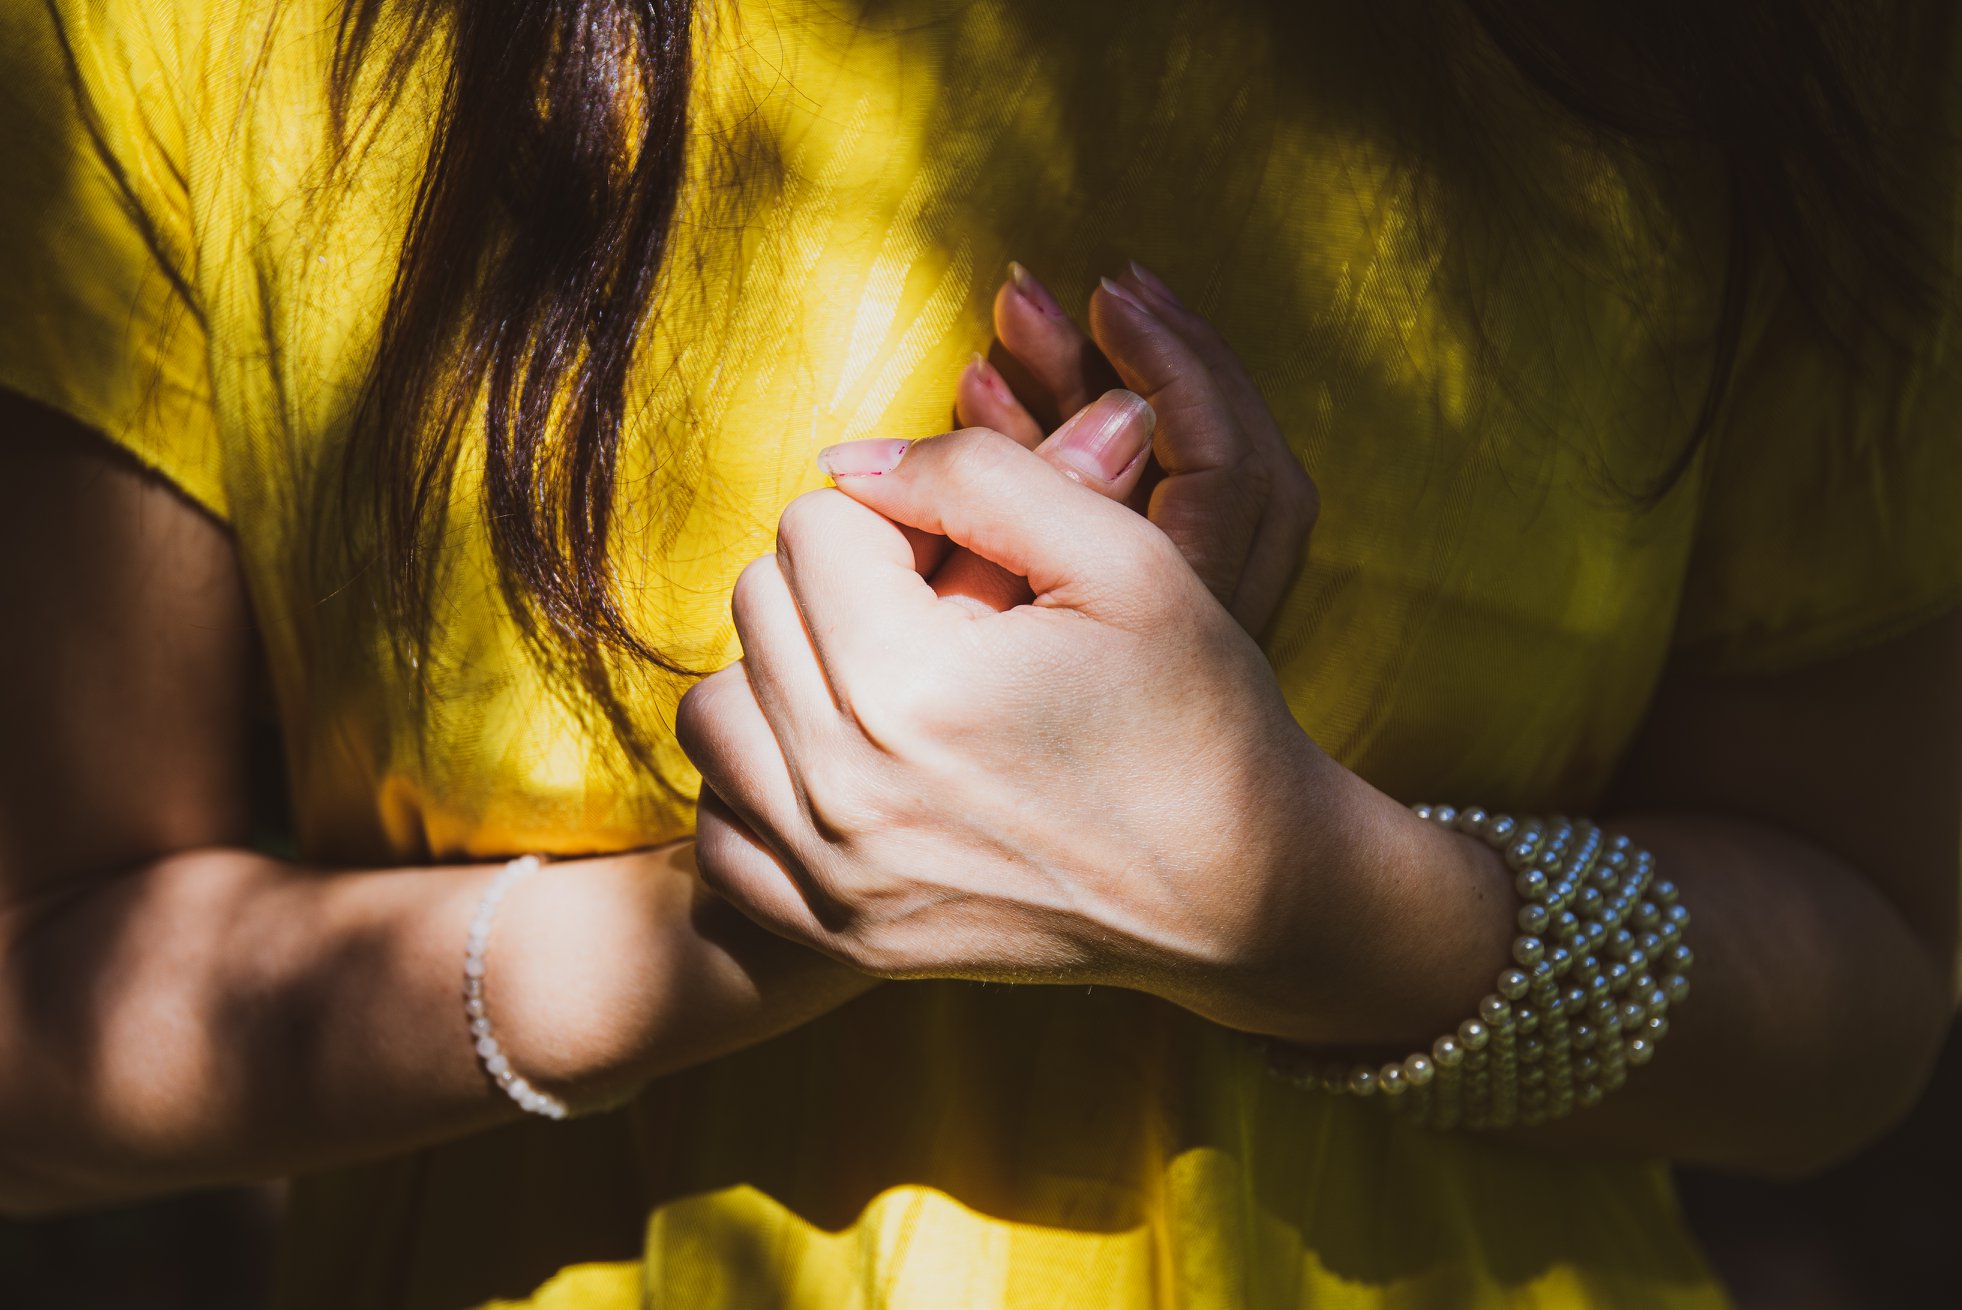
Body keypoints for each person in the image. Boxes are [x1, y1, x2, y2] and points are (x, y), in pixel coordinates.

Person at [2, 0, 1958, 1307]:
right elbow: (34, 1025)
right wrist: (737, 918)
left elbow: (1867, 986)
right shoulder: (196, 31)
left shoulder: (1775, 49)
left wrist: (1305, 896)